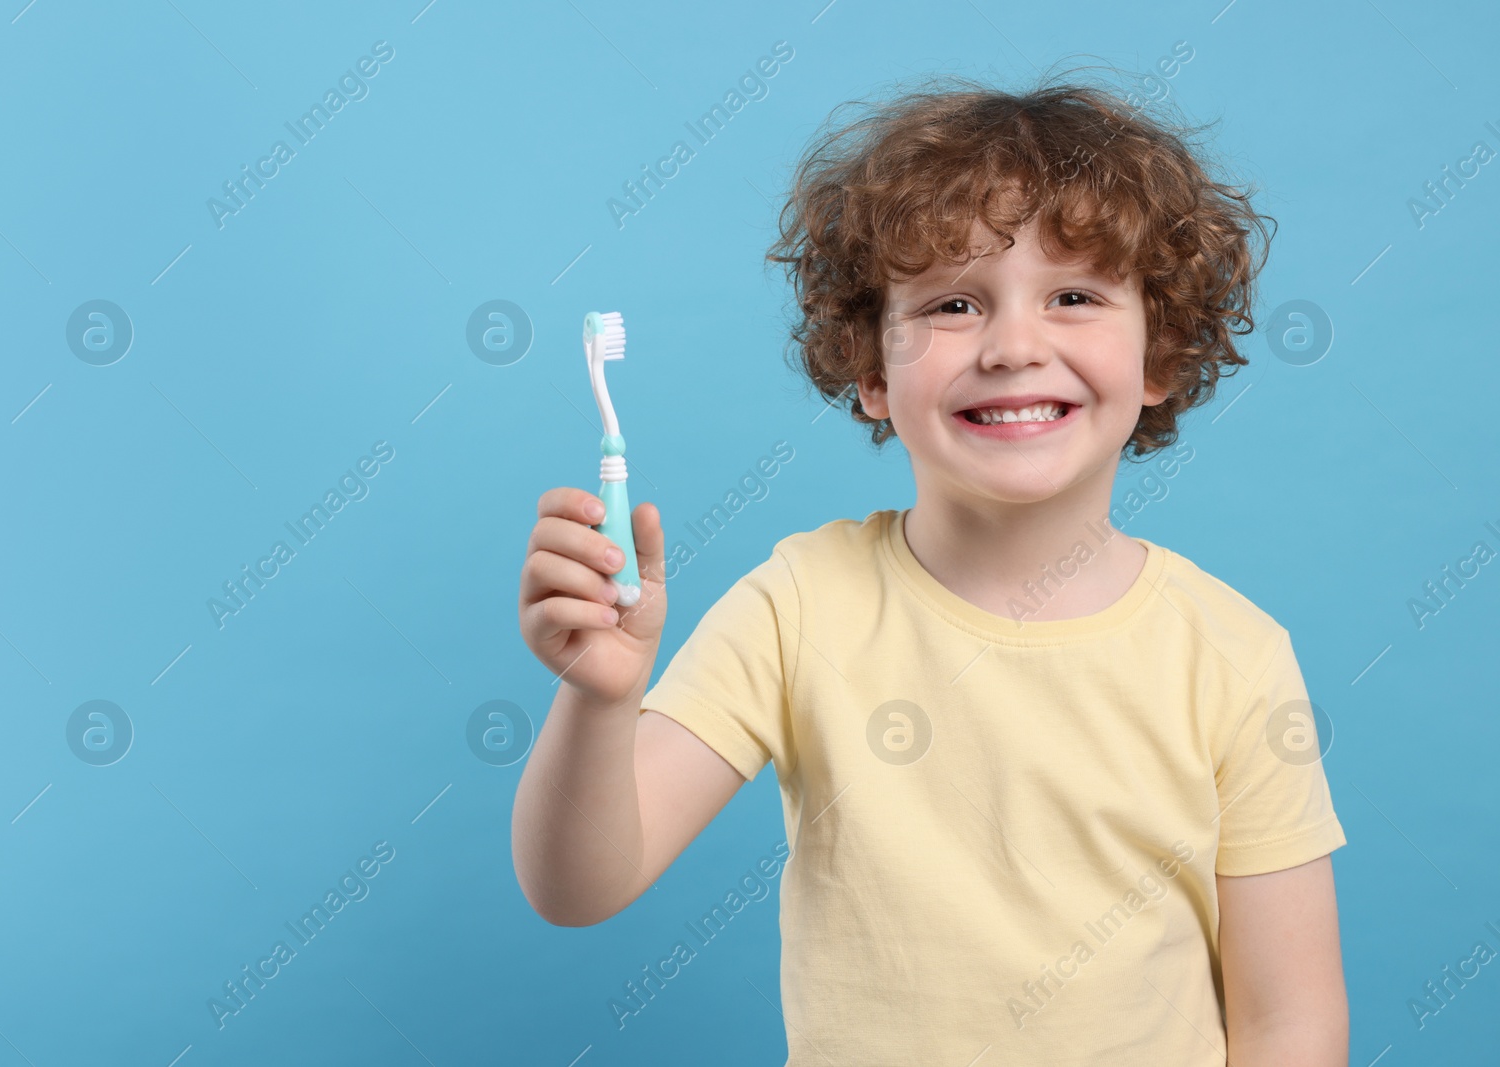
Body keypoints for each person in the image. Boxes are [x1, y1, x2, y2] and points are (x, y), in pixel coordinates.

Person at [512, 70, 1348, 1065]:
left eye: (1074, 295)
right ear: (871, 370)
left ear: (1157, 354)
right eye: (954, 303)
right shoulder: (799, 604)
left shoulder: (1233, 655)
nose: (1013, 346)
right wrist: (600, 702)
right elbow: (577, 886)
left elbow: (1288, 1019)